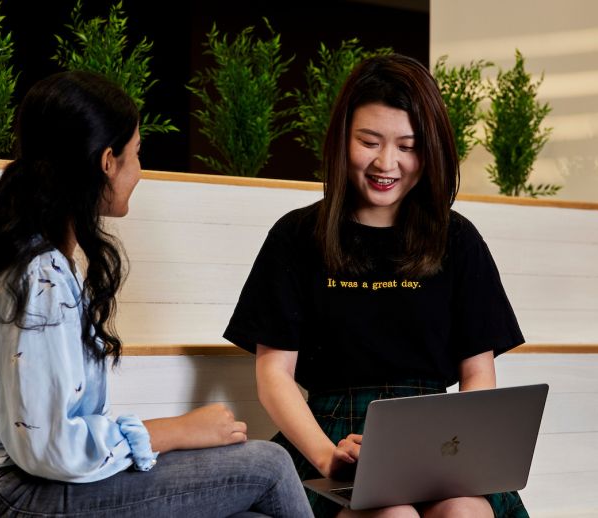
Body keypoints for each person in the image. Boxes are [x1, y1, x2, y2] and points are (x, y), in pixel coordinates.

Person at [0, 70, 314, 518]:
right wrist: (174, 431)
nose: (140, 170)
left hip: (9, 488)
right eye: (137, 154)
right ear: (107, 161)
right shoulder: (40, 276)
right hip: (8, 494)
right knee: (269, 464)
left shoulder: (41, 260)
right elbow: (48, 448)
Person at [224, 54, 528, 518]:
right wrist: (328, 455)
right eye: (369, 141)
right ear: (342, 138)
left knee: (465, 510)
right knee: (393, 514)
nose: (387, 162)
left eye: (408, 146)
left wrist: (462, 455)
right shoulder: (295, 236)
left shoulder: (458, 239)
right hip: (329, 436)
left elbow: (479, 375)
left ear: (431, 151)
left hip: (436, 442)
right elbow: (274, 375)